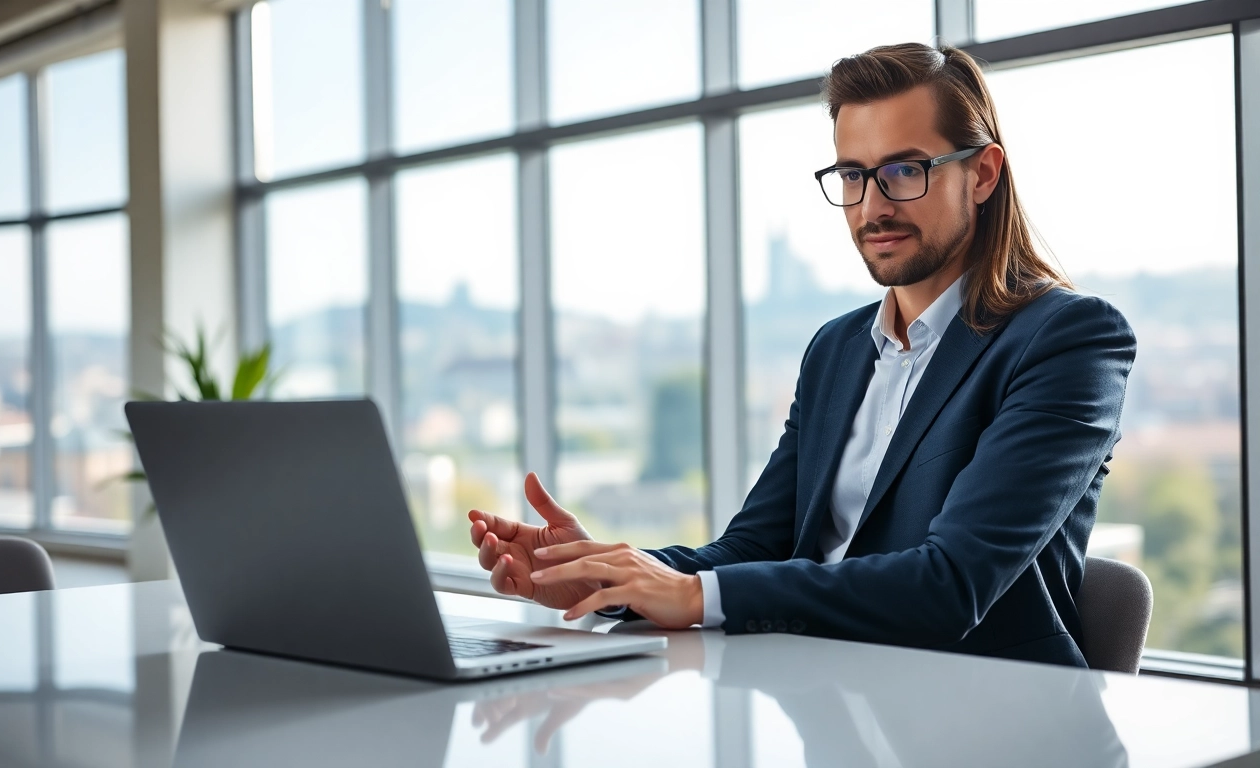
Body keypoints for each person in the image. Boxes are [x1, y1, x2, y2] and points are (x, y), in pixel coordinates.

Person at [468, 42, 1136, 668]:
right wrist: (605, 575)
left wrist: (696, 598)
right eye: (854, 174)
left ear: (983, 174)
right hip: (825, 694)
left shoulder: (1068, 339)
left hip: (997, 720)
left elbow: (949, 586)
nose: (874, 206)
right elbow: (751, 550)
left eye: (905, 170)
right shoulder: (836, 351)